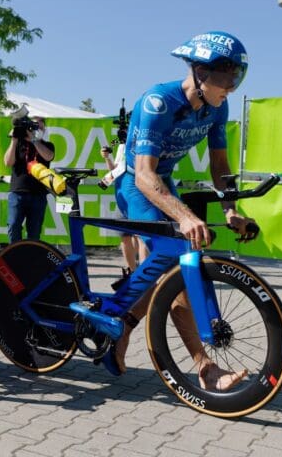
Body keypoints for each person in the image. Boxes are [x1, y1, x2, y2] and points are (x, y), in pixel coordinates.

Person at [111, 31, 260, 391]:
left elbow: (220, 166)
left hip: (164, 180)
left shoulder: (217, 107)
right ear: (200, 73)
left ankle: (123, 324)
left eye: (237, 77)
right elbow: (145, 175)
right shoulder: (157, 102)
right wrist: (184, 216)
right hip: (136, 182)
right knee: (171, 262)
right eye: (226, 78)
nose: (232, 87)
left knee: (170, 268)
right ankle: (204, 367)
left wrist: (230, 210)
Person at [3, 115, 55, 243]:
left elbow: (48, 157)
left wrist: (33, 139)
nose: (34, 128)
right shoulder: (18, 144)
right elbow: (8, 162)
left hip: (38, 194)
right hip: (17, 192)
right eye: (32, 125)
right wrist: (14, 140)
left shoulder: (47, 145)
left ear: (43, 128)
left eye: (38, 125)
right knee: (13, 225)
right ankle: (15, 254)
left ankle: (30, 259)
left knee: (34, 232)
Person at [100, 145, 141, 273]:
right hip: (122, 196)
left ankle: (142, 271)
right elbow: (115, 169)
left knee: (139, 235)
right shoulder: (122, 146)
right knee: (125, 235)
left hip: (138, 194)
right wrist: (107, 158)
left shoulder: (143, 143)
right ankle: (132, 271)